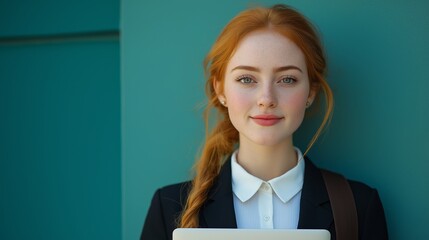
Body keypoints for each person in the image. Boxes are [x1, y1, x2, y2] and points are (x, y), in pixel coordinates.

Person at [141, 4, 388, 240]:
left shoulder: (359, 206)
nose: (266, 99)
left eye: (287, 79)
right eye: (247, 79)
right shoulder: (168, 208)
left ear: (311, 92)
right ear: (220, 90)